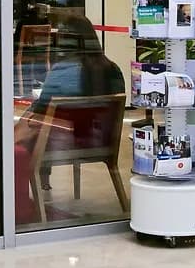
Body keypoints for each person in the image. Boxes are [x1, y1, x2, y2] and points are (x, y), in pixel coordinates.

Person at [21, 13, 125, 190]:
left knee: (28, 125)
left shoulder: (63, 71)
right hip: (99, 141)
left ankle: (24, 188)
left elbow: (42, 108)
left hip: (61, 143)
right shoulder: (112, 69)